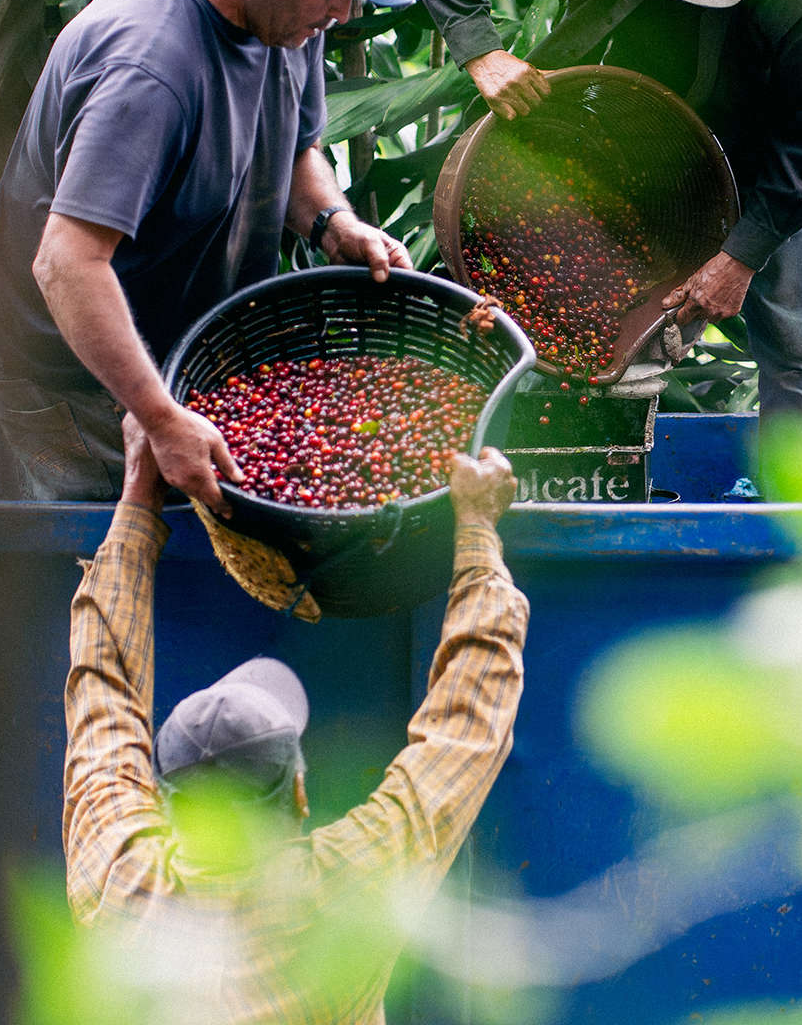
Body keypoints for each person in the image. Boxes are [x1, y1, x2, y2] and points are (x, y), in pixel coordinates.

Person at [0, 0, 416, 507]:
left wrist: (333, 223)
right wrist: (159, 417)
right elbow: (67, 264)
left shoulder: (284, 20)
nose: (343, 16)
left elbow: (292, 149)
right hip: (59, 375)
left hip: (175, 352)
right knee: (99, 578)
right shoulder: (150, 69)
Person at [407, 0, 802, 450]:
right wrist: (482, 52)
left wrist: (741, 256)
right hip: (630, 125)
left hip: (768, 142)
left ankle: (798, 531)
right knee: (548, 301)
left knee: (791, 344)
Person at [62, 421, 528, 1023]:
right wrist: (478, 529)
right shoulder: (342, 895)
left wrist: (137, 493)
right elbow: (467, 728)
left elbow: (103, 689)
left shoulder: (117, 876)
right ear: (301, 794)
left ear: (160, 797)